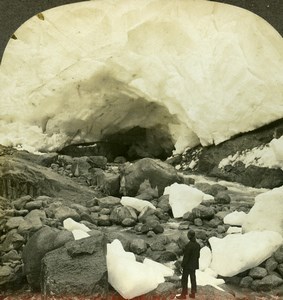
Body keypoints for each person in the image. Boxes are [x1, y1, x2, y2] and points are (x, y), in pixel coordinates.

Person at [177, 230, 201, 299]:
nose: (187, 236)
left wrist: (182, 265)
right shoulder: (197, 245)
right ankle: (193, 294)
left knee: (184, 280)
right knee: (193, 279)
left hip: (187, 266)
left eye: (188, 235)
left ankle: (183, 295)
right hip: (194, 265)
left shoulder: (188, 245)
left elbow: (186, 257)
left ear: (190, 236)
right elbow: (198, 256)